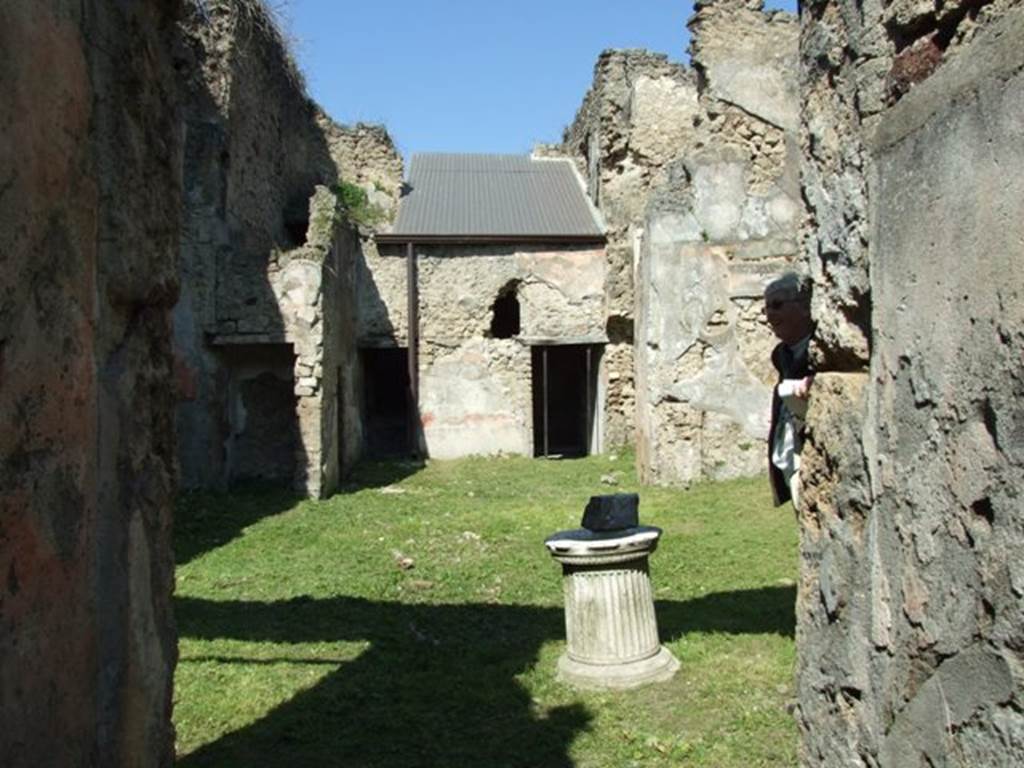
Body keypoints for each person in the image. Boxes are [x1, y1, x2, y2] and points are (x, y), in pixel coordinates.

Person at [764, 272, 815, 509]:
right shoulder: (782, 355)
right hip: (788, 461)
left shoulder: (819, 351)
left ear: (804, 307)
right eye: (767, 308)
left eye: (777, 305)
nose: (770, 314)